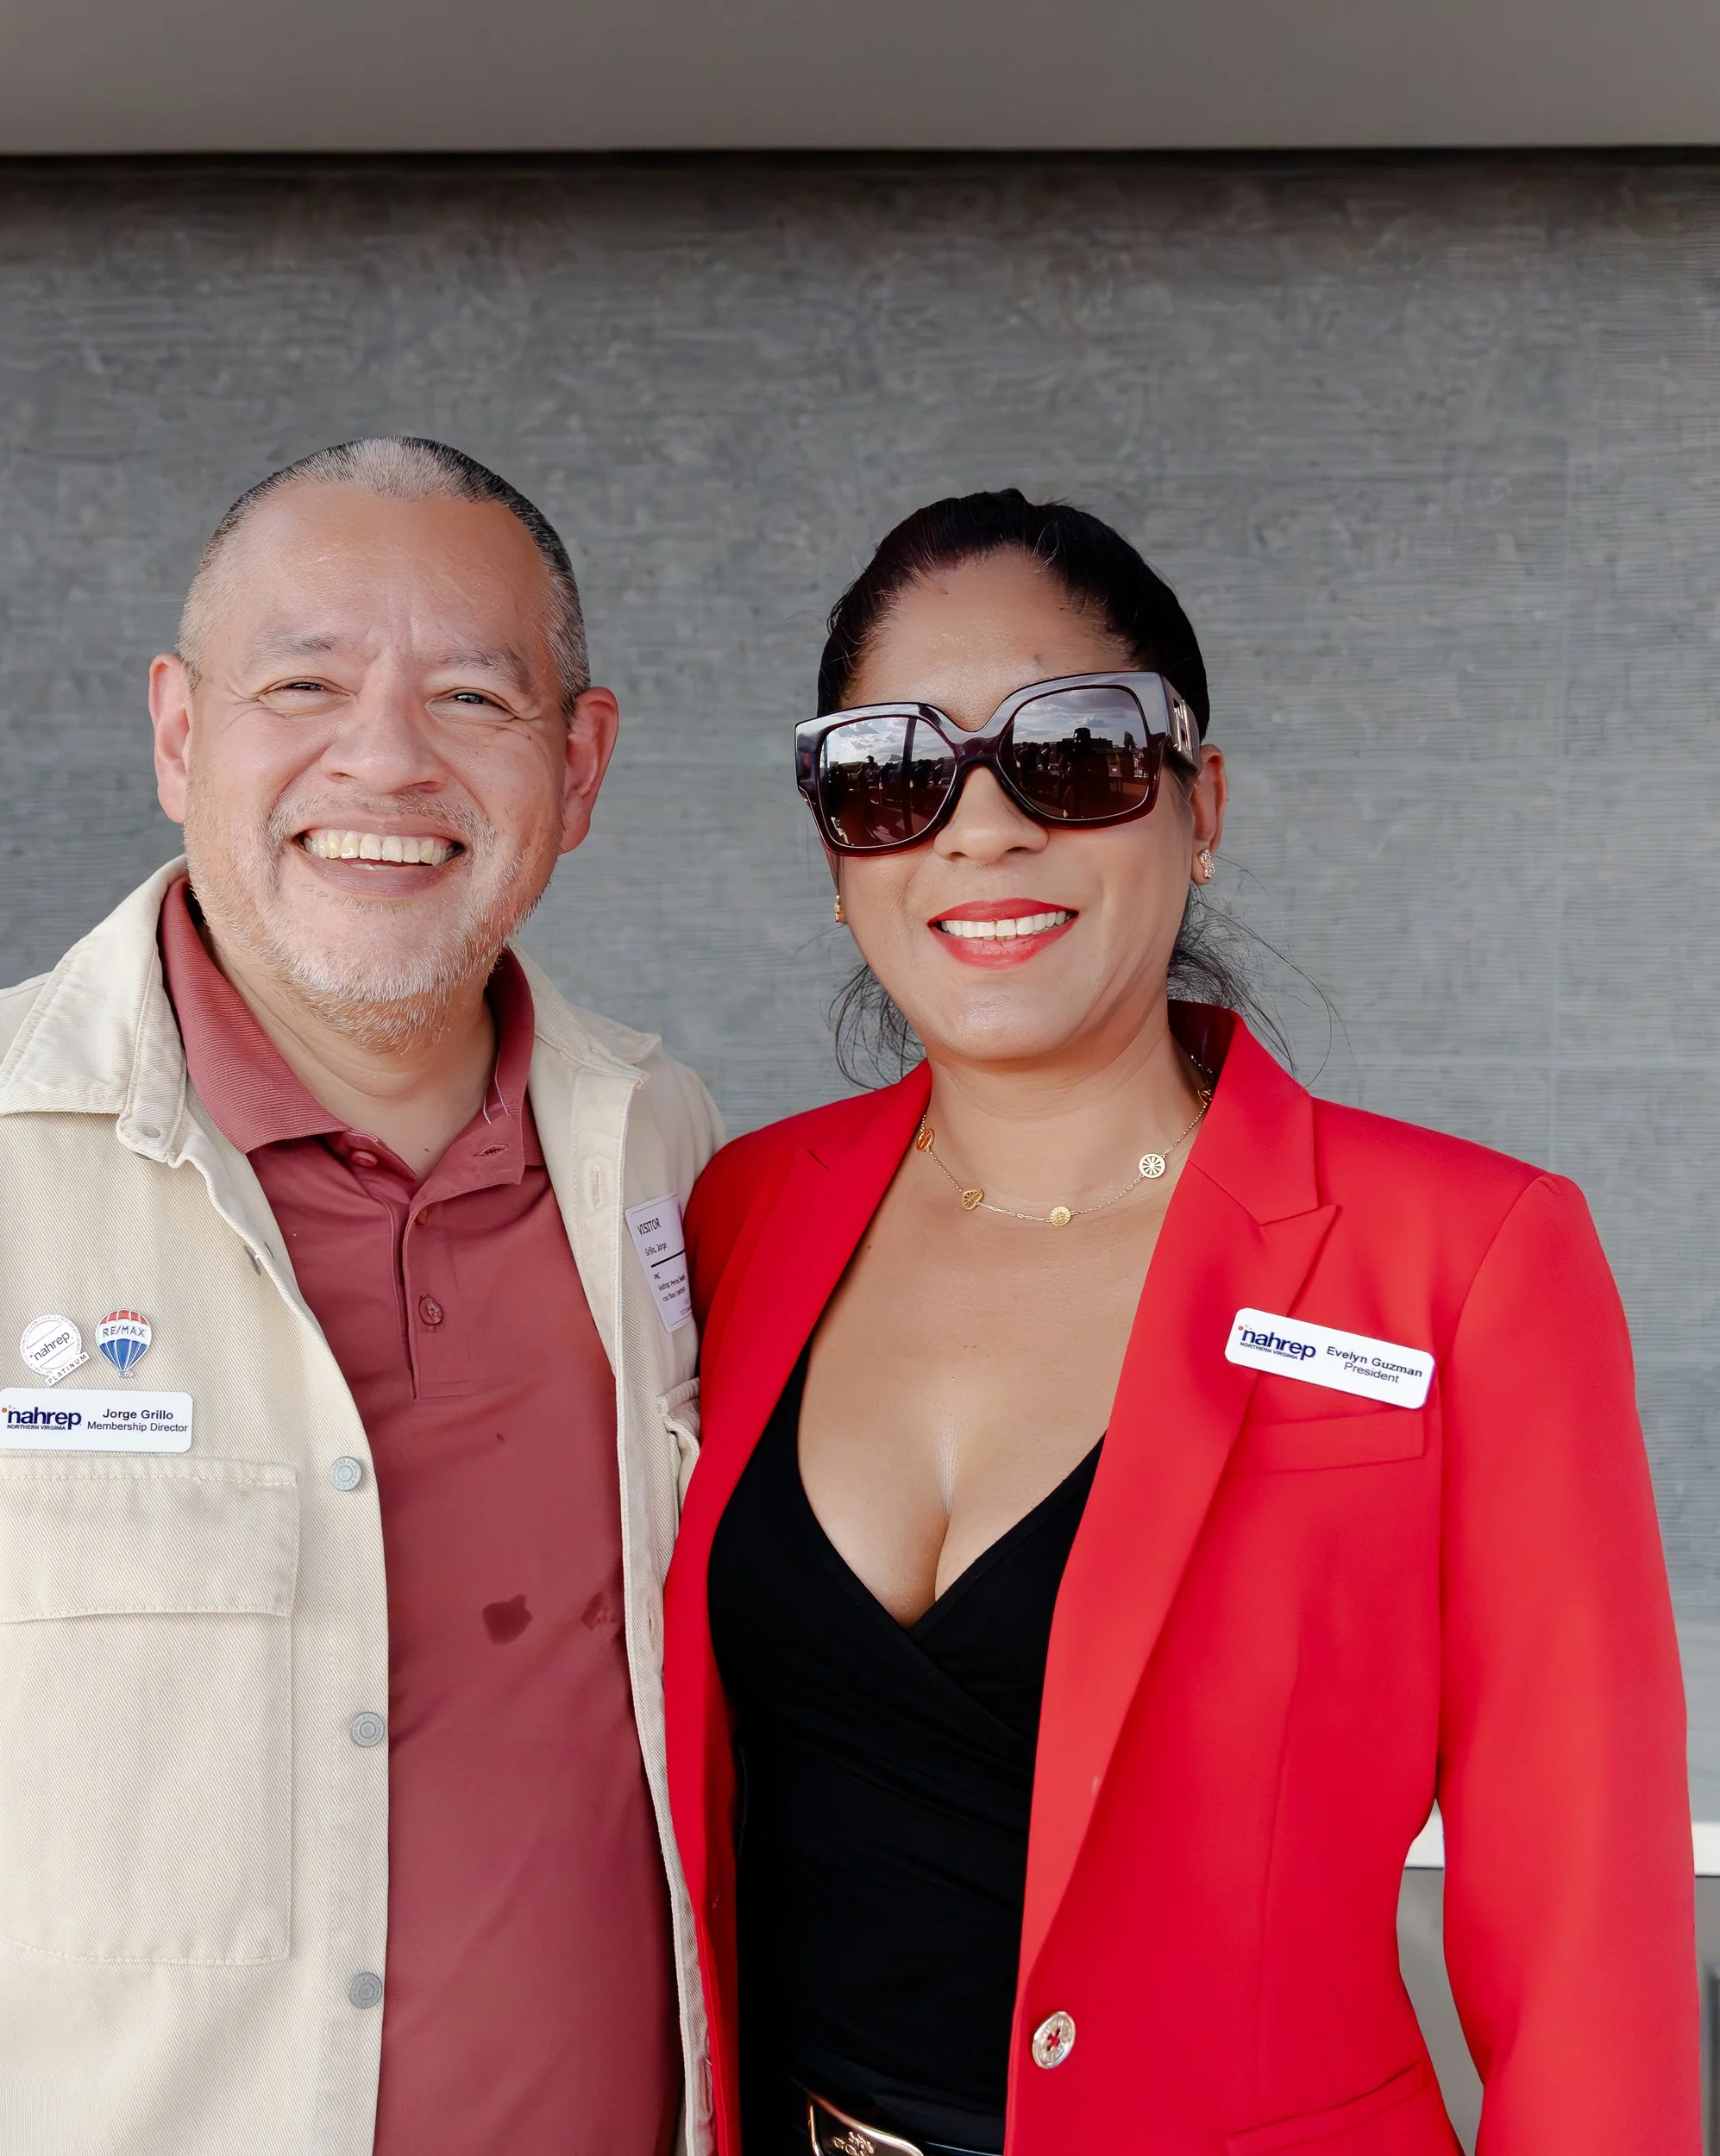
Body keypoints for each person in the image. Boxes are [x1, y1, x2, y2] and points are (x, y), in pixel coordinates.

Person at [0, 437, 723, 2156]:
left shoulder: (663, 1148)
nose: (384, 755)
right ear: (180, 733)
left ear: (581, 759)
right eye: (303, 681)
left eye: (471, 696)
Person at [662, 490, 1697, 2156]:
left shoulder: (1467, 1258)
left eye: (1073, 752)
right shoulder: (736, 1218)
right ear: (838, 839)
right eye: (889, 772)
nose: (980, 830)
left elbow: (1589, 1935)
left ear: (1198, 806)